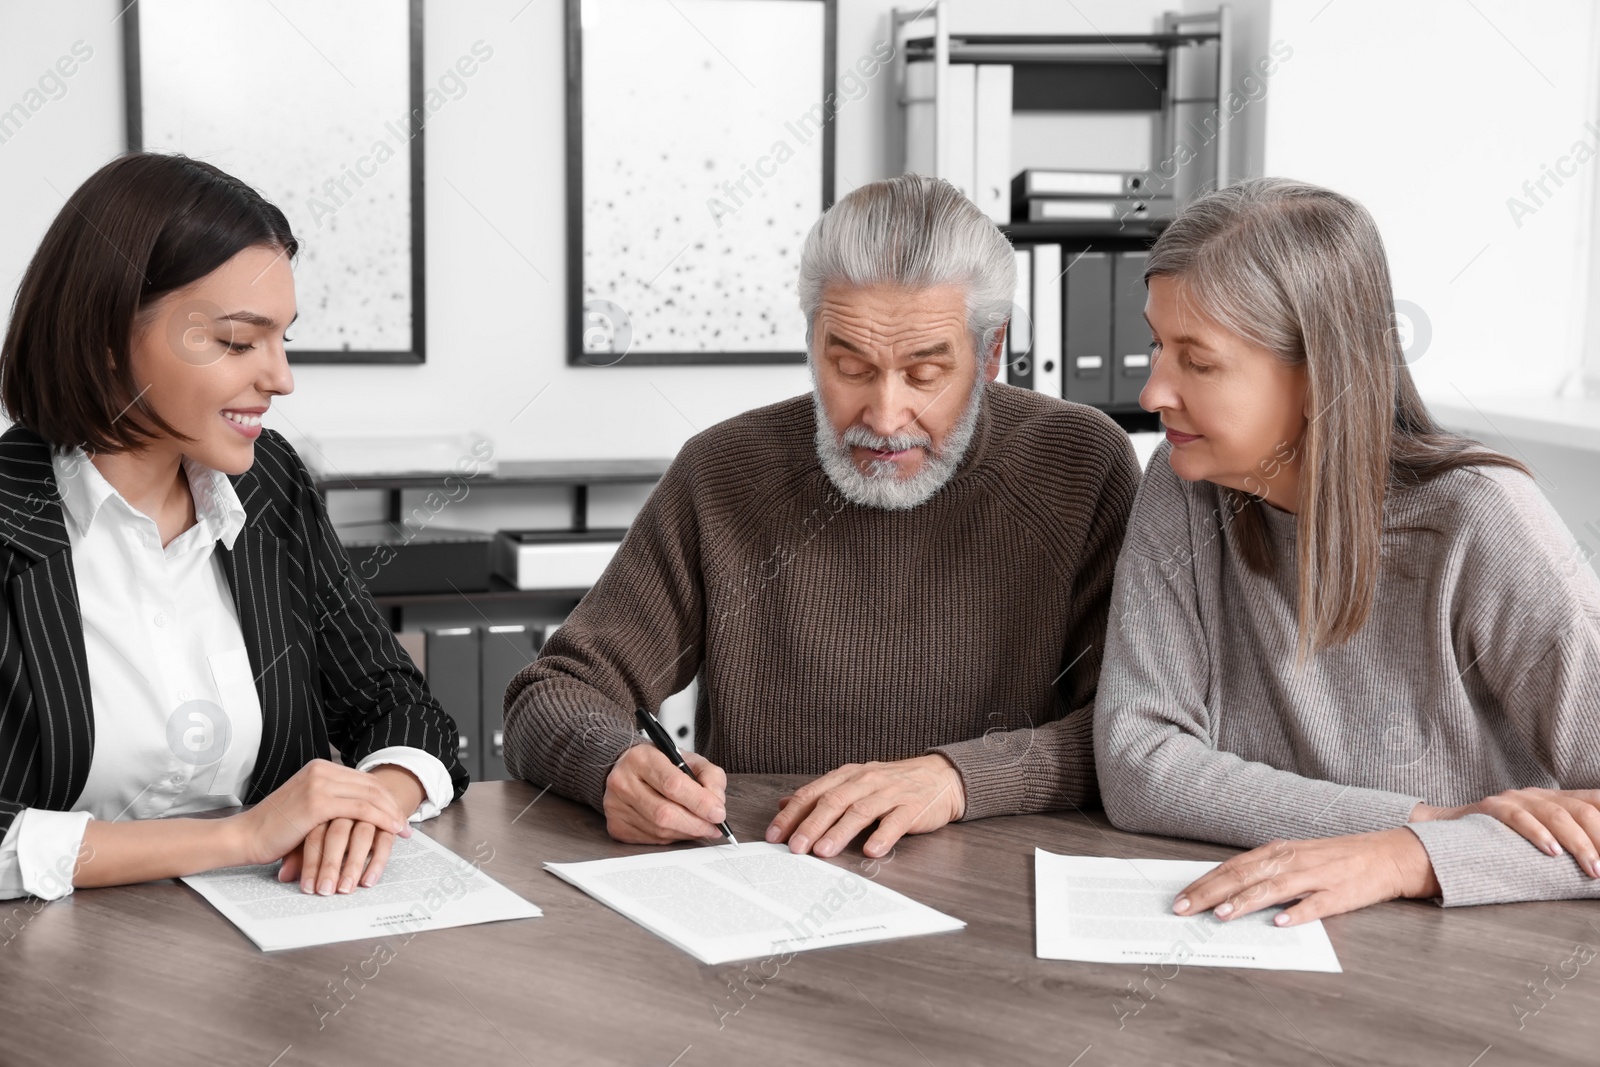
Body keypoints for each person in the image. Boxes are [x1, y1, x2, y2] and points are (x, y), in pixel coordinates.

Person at [504, 175, 1141, 859]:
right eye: (850, 365)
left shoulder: (1081, 464)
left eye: (925, 374)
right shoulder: (723, 472)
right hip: (772, 874)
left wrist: (956, 778)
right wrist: (614, 764)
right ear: (812, 341)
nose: (884, 415)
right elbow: (551, 694)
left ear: (989, 354)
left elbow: (1132, 734)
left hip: (998, 894)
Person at [1094, 177, 1600, 923]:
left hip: (1462, 963)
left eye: (1197, 361)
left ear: (1316, 375)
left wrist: (1407, 857)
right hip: (1259, 934)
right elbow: (1139, 761)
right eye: (1157, 344)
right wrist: (1423, 821)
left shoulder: (1482, 521)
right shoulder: (1183, 483)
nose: (1152, 390)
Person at [0, 152, 467, 902]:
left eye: (282, 337)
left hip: (273, 944)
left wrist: (376, 796)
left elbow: (394, 699)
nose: (281, 377)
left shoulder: (271, 484)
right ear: (108, 336)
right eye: (238, 342)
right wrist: (240, 837)